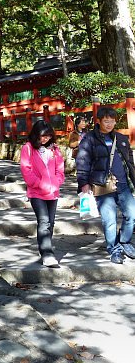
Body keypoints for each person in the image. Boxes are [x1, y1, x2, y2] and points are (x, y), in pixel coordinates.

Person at [76, 106, 135, 264]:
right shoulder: (89, 139)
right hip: (102, 185)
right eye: (106, 121)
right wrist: (83, 184)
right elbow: (82, 162)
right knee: (109, 220)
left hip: (123, 184)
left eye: (112, 121)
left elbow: (129, 162)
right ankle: (114, 249)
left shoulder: (121, 139)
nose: (109, 124)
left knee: (132, 214)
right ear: (99, 121)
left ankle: (124, 241)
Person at [20, 120, 65, 268]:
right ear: (35, 134)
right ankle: (47, 253)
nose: (45, 139)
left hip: (53, 192)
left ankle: (44, 248)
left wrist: (57, 182)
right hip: (36, 192)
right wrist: (39, 183)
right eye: (42, 136)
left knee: (51, 222)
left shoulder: (55, 149)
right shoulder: (28, 148)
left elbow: (60, 169)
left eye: (48, 136)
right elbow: (26, 170)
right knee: (44, 221)